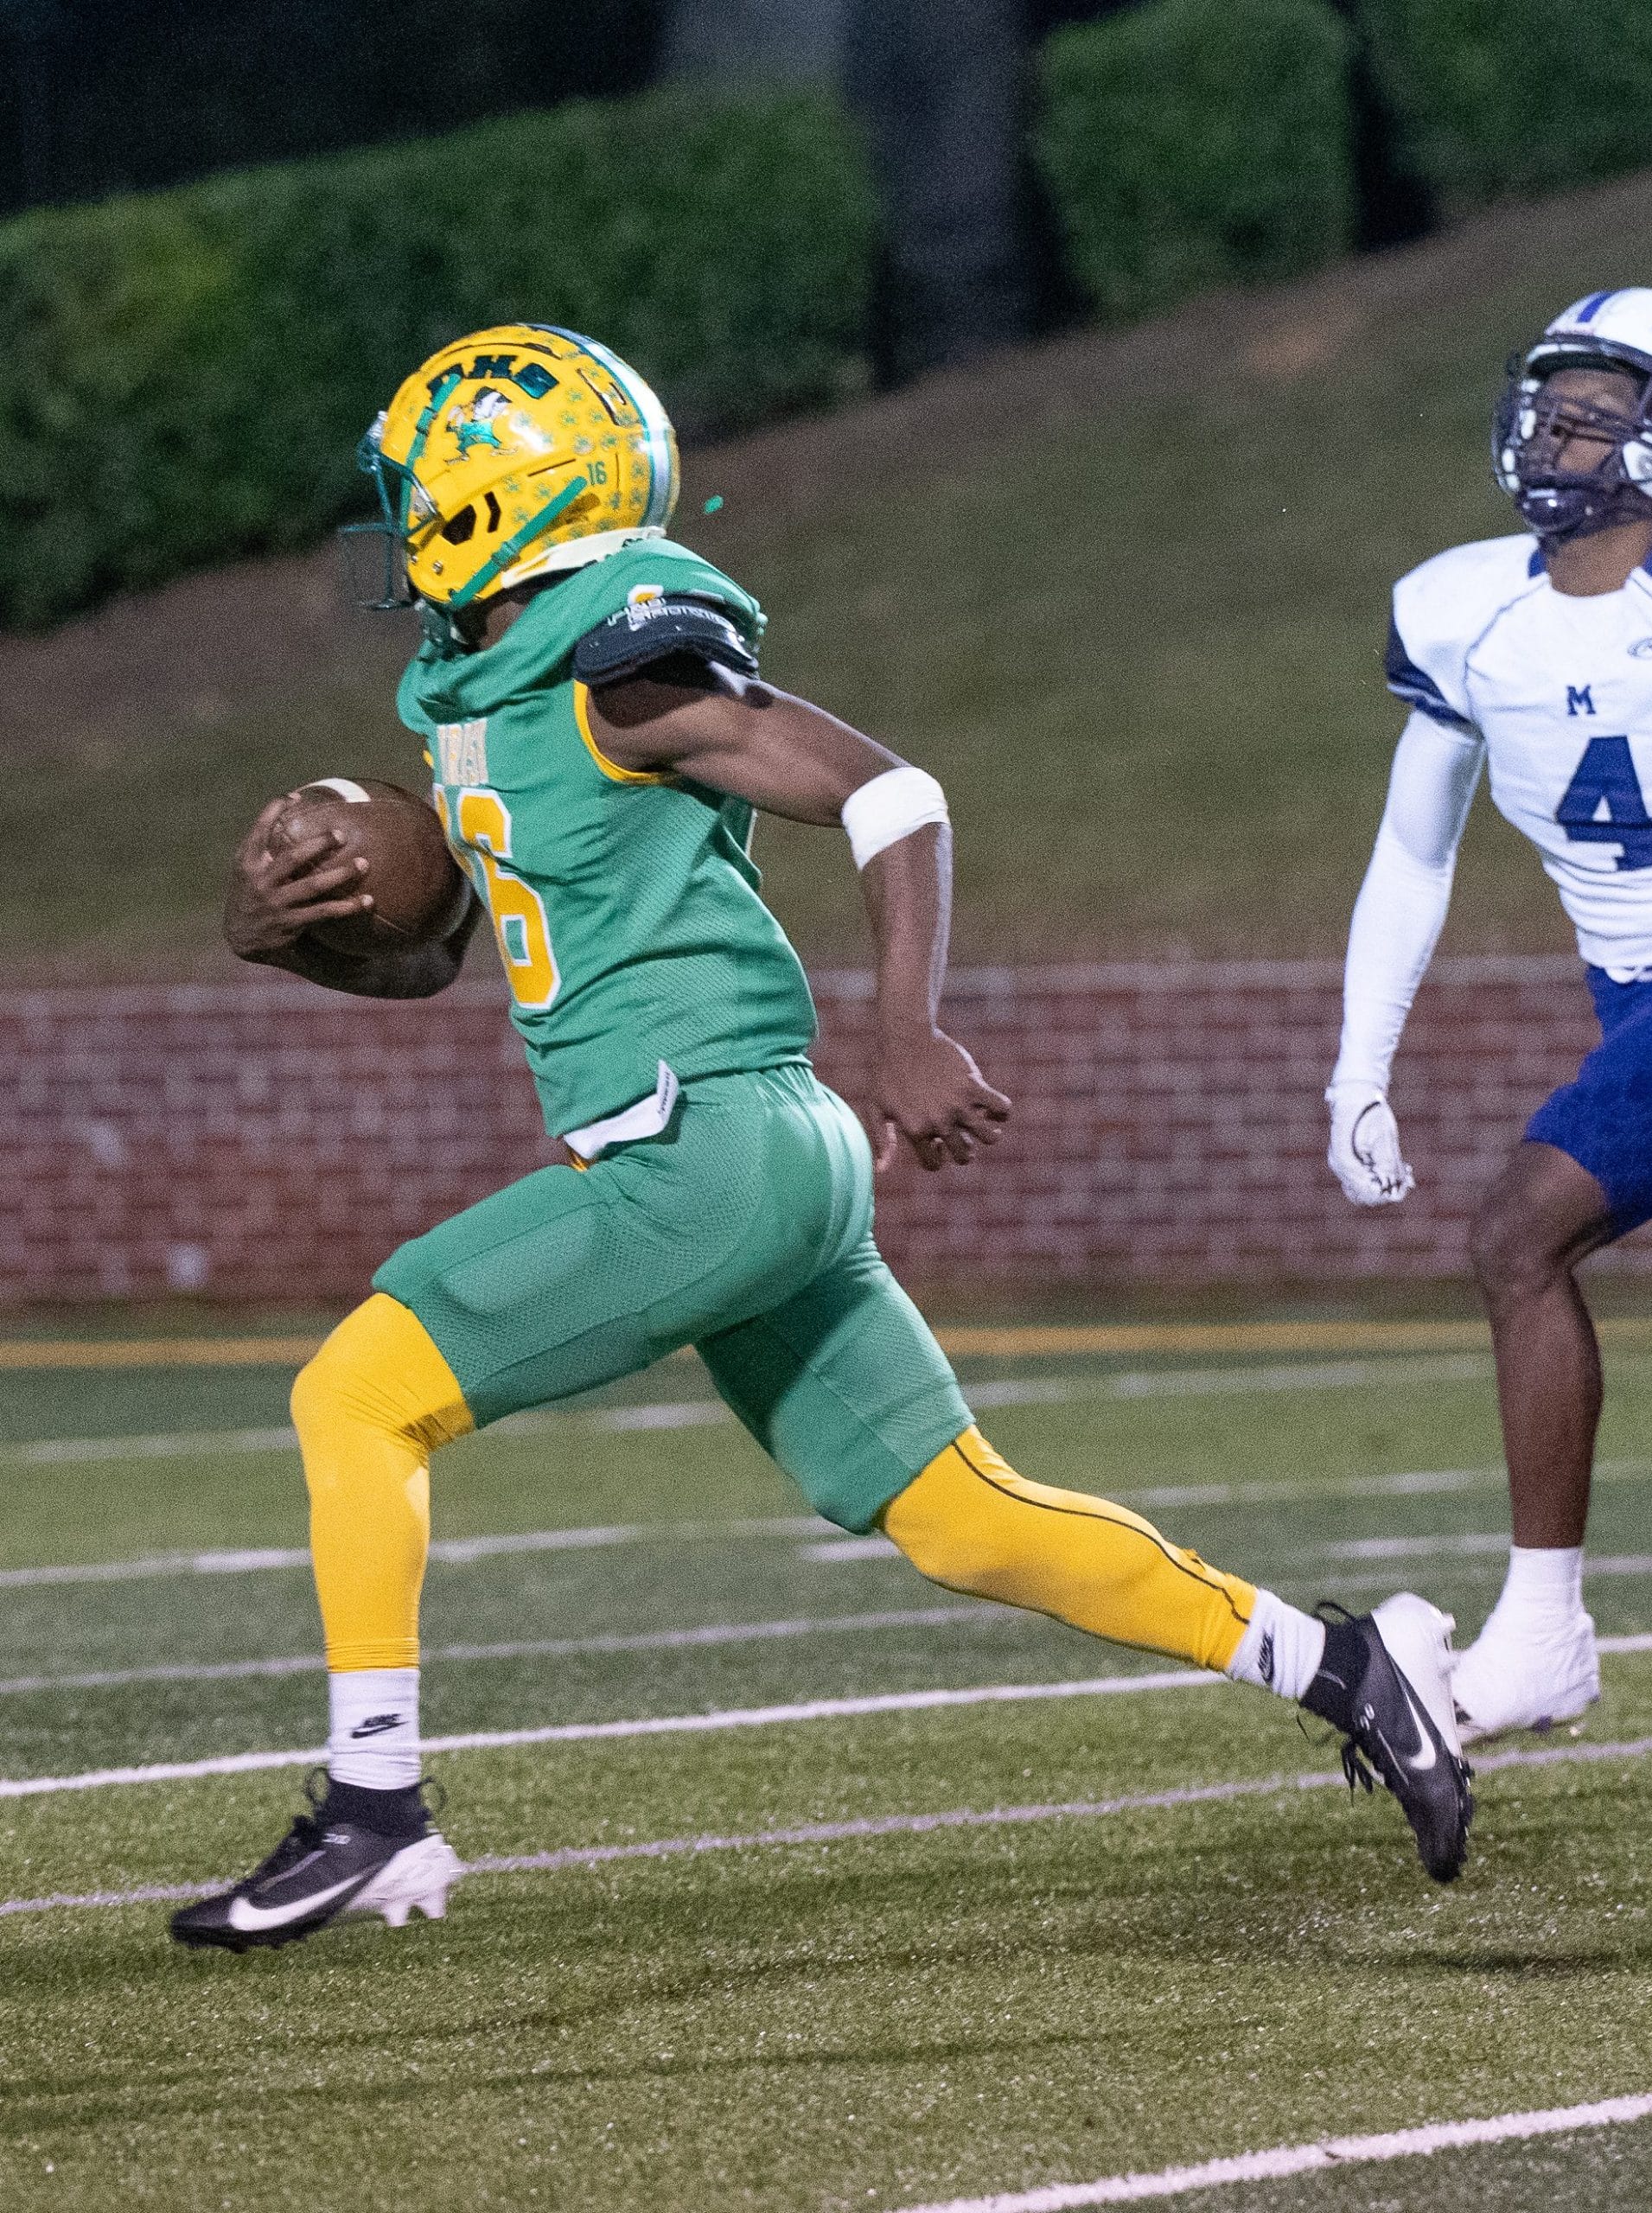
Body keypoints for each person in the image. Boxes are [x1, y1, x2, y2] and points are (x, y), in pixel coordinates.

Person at [173, 324, 1470, 1950]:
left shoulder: (629, 663)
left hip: (700, 1151)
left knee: (355, 1396)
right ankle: (1347, 1668)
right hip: (755, 1151)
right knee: (959, 1516)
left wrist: (905, 1023)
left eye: (420, 492)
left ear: (497, 502)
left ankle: (374, 1811)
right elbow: (441, 956)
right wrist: (272, 938)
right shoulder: (493, 682)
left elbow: (891, 793)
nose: (400, 522)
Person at [1328, 287, 1652, 1740]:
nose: (1552, 435)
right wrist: (1356, 1070)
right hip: (1629, 999)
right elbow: (1413, 852)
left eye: (1595, 414)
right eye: (1547, 406)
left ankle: (1537, 1639)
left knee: (1519, 1231)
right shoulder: (1461, 610)